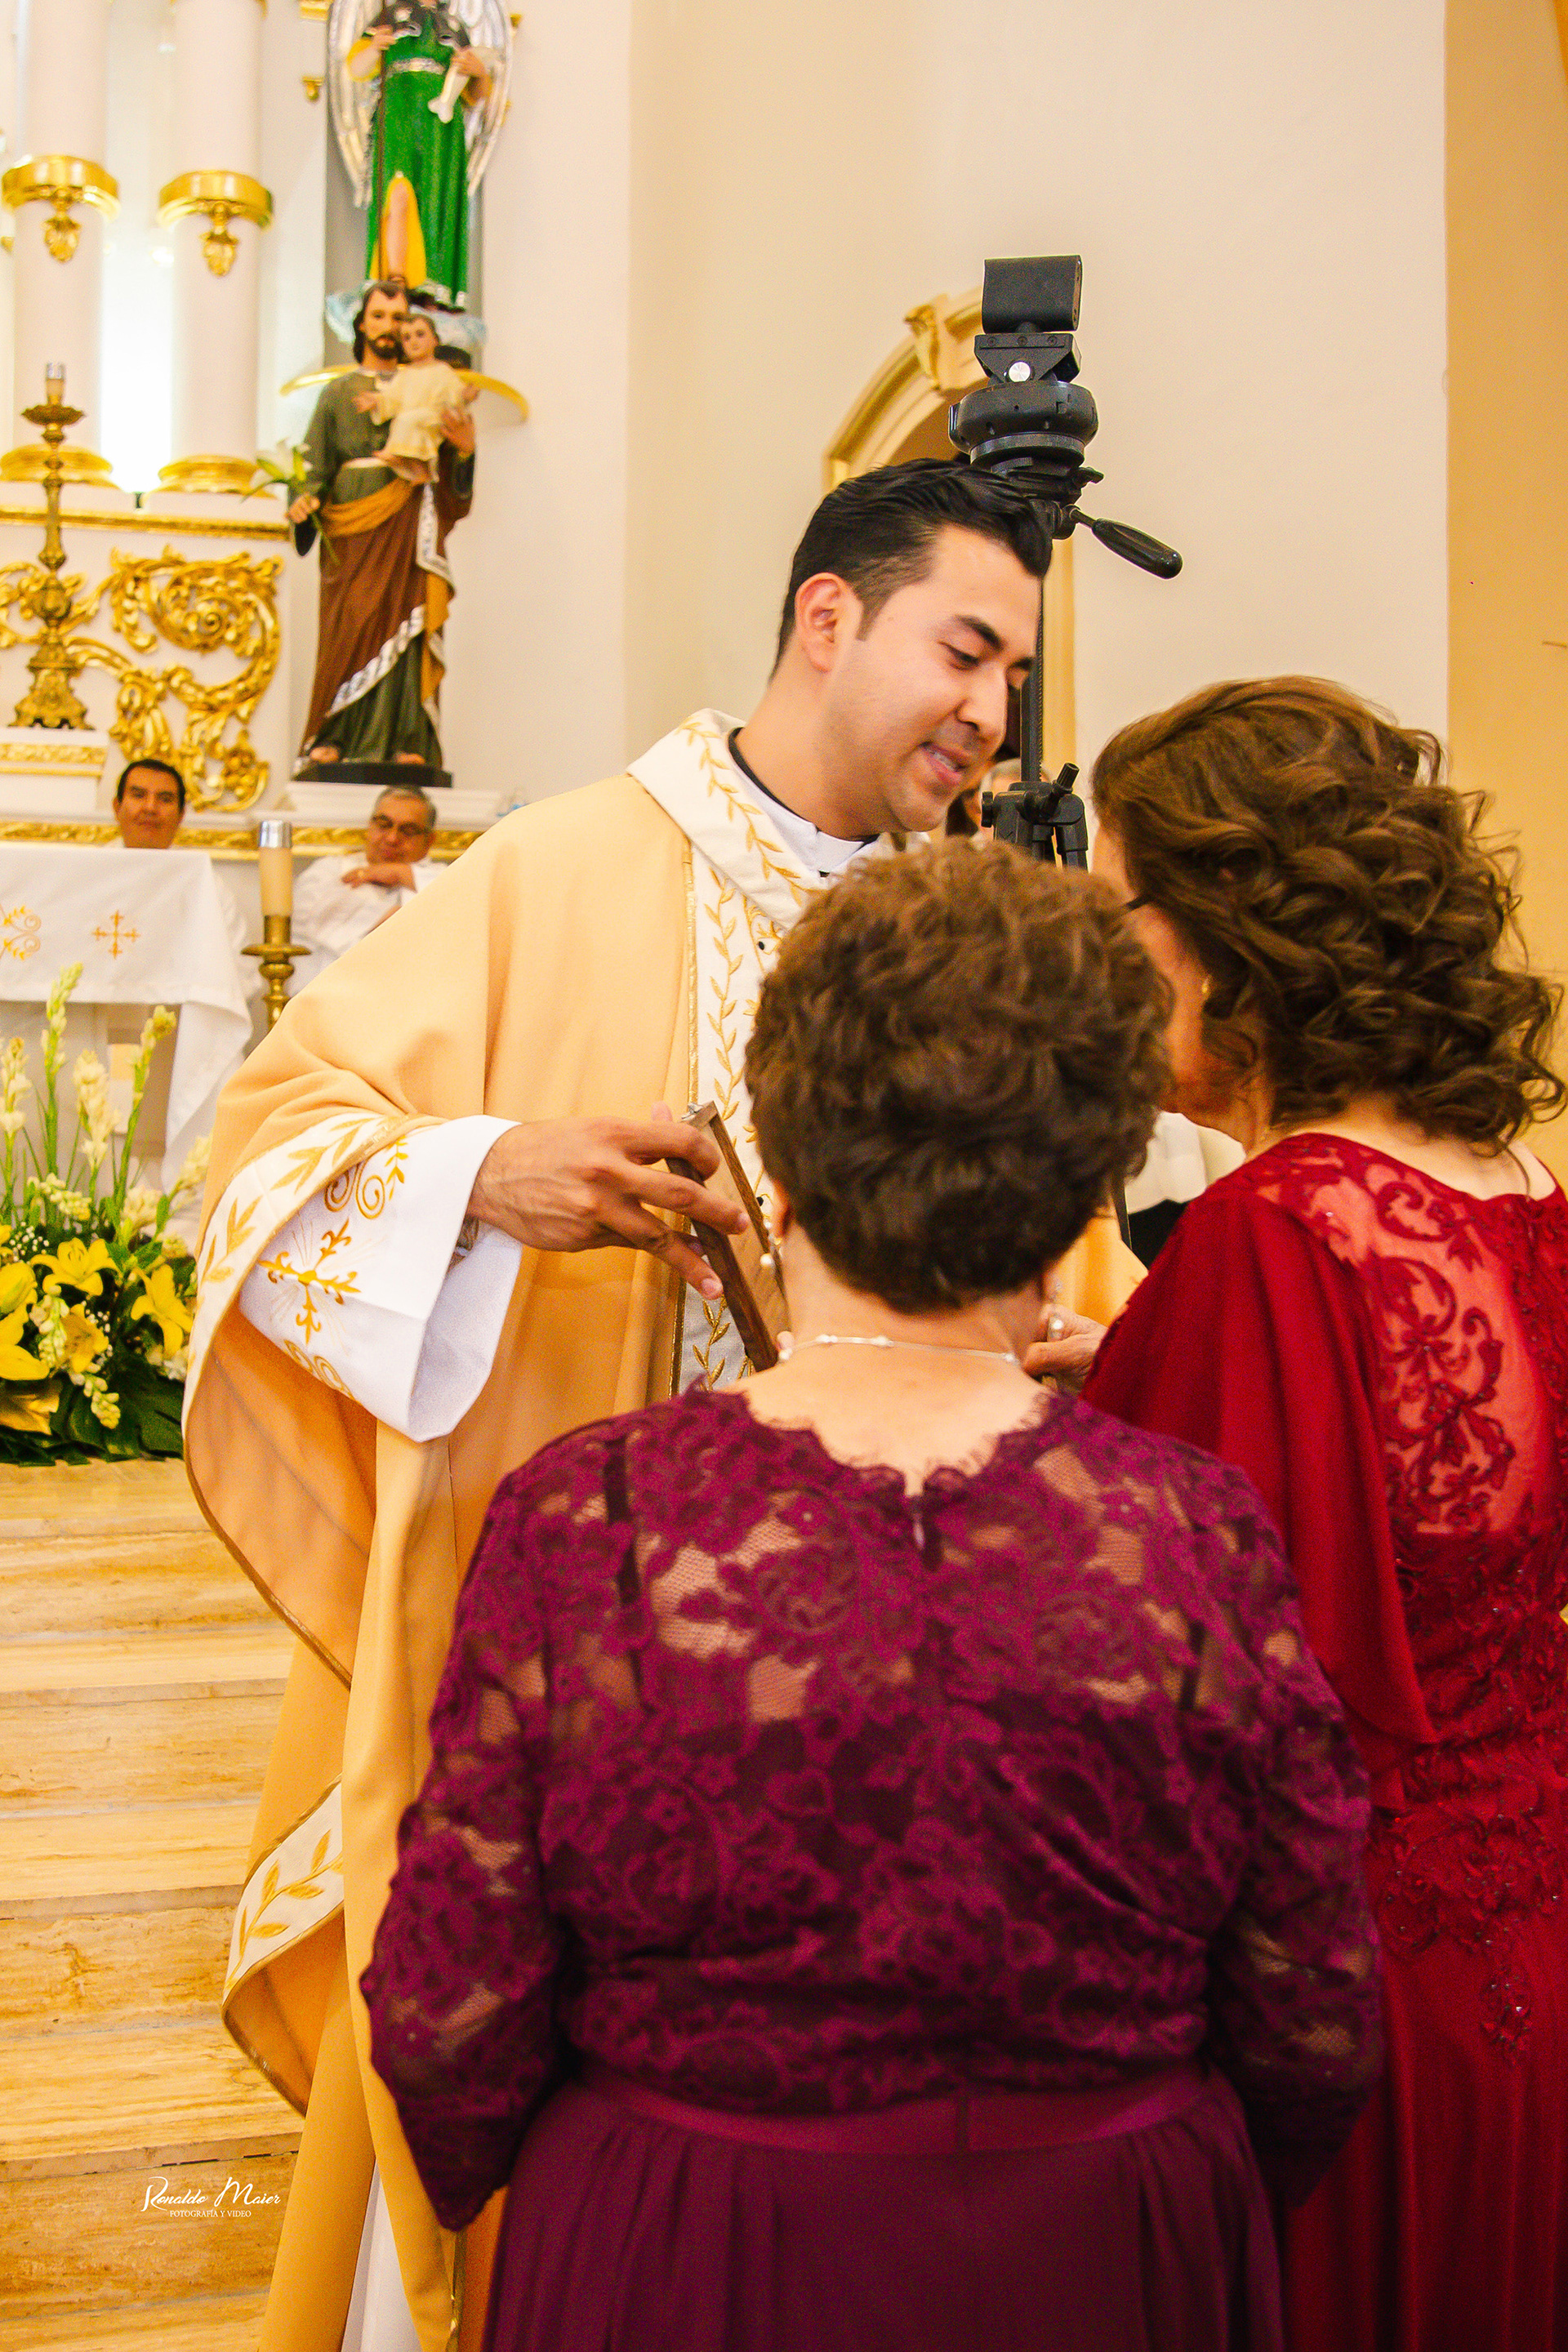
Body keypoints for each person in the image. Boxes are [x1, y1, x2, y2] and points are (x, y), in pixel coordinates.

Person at [184, 459, 1148, 2352]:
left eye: (1016, 679)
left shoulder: (983, 927)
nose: (992, 712)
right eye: (966, 652)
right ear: (826, 618)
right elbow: (265, 1146)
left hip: (919, 1755)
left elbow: (1083, 1273)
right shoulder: (562, 867)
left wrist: (1065, 1337)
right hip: (590, 1700)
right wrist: (487, 1172)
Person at [362, 842, 1380, 2352]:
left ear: (777, 1162)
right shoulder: (1198, 1527)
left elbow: (446, 2020)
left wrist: (602, 2191)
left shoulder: (592, 1519)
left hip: (686, 2249)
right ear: (1088, 1183)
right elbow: (1314, 2014)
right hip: (1102, 2251)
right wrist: (1170, 2184)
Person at [1077, 676, 1568, 2352]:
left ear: (1225, 930)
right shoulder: (1518, 1194)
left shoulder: (1276, 1232)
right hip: (1527, 1935)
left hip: (1343, 1996)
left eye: (1118, 910)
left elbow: (1168, 1674)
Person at [287, 280, 475, 768]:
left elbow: (449, 472)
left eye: (399, 318)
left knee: (408, 625)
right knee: (349, 625)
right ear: (361, 325)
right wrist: (304, 497)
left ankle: (408, 738)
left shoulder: (429, 385)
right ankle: (336, 732)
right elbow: (313, 461)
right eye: (379, 316)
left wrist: (465, 451)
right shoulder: (339, 392)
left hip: (410, 521)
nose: (390, 327)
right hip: (352, 529)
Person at [348, 2, 493, 311]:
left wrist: (479, 72)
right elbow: (356, 69)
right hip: (398, 114)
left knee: (437, 193)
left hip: (440, 125)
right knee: (397, 188)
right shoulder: (390, 16)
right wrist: (374, 47)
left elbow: (476, 94)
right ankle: (395, 279)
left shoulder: (454, 26)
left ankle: (433, 285)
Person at [292, 784, 440, 982]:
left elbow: (459, 915)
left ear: (429, 841)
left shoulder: (444, 877)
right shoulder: (329, 871)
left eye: (408, 831)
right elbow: (317, 919)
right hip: (330, 992)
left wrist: (400, 873)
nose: (392, 838)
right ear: (370, 826)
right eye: (384, 825)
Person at [359, 308, 476, 484]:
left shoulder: (442, 370)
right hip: (414, 419)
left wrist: (465, 395)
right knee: (404, 420)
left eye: (420, 335)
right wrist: (376, 401)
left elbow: (455, 393)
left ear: (435, 340)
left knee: (409, 419)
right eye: (407, 338)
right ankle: (417, 470)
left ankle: (413, 464)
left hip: (435, 417)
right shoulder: (405, 374)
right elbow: (392, 398)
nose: (413, 341)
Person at [114, 755, 185, 851]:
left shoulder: (196, 861)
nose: (150, 808)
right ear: (117, 808)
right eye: (139, 795)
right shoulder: (95, 860)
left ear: (181, 815)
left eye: (165, 799)